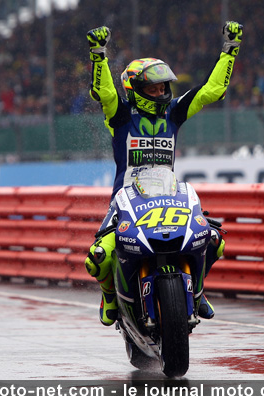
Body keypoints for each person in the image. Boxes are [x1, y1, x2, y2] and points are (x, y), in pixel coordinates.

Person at [84, 21, 243, 326]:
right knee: (97, 257)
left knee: (214, 240)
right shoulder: (120, 116)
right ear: (136, 90)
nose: (160, 92)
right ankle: (109, 295)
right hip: (125, 202)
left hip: (168, 197)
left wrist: (230, 50)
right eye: (153, 88)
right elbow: (103, 92)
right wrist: (98, 55)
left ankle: (198, 291)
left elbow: (212, 91)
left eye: (162, 87)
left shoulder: (174, 112)